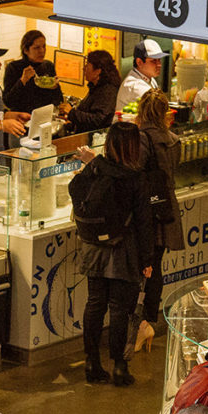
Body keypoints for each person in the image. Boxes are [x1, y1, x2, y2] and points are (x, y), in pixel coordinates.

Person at [70, 121, 154, 387]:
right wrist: (147, 259)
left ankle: (92, 362)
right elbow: (143, 222)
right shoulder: (136, 178)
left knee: (95, 304)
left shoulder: (94, 167)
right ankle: (119, 366)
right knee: (120, 309)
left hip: (93, 246)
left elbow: (75, 190)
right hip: (123, 249)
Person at [134, 88, 186, 349]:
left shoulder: (142, 140)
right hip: (165, 211)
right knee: (155, 268)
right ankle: (148, 323)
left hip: (144, 214)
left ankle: (139, 326)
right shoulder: (174, 140)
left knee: (138, 269)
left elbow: (135, 176)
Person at [1, 30, 63, 115]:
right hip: (22, 118)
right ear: (26, 50)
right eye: (37, 48)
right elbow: (8, 102)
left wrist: (55, 88)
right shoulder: (14, 67)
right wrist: (22, 81)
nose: (42, 51)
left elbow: (59, 100)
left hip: (44, 117)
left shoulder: (48, 66)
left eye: (44, 46)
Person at [65, 50, 123, 134]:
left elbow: (99, 119)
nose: (83, 69)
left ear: (97, 72)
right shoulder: (95, 87)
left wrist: (72, 113)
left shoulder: (108, 91)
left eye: (87, 66)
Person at [115, 39, 167, 113]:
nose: (159, 65)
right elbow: (158, 109)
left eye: (159, 60)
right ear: (139, 62)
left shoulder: (150, 79)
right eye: (154, 61)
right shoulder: (134, 85)